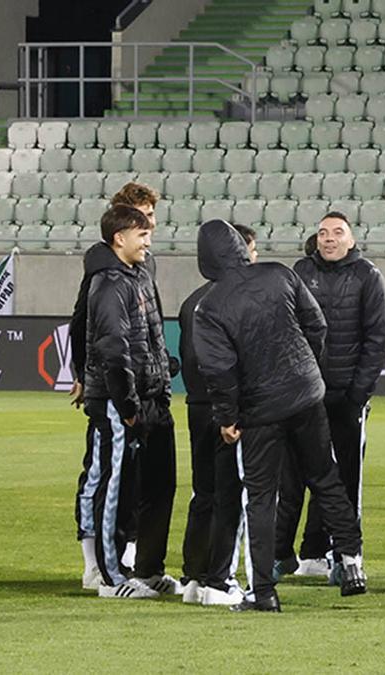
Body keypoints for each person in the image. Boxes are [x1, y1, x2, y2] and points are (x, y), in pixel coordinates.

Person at [193, 220, 366, 612]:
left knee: (260, 497)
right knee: (326, 477)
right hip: (306, 395)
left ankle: (264, 591)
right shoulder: (278, 274)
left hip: (260, 410)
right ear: (240, 247)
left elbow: (219, 371)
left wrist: (227, 417)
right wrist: (307, 370)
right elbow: (316, 325)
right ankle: (352, 561)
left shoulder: (210, 307)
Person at [71, 182, 176, 592]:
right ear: (122, 225)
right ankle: (101, 569)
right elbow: (90, 327)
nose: (149, 227)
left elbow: (146, 331)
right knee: (104, 477)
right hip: (116, 391)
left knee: (142, 480)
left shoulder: (140, 268)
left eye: (151, 218)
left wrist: (160, 369)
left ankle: (135, 566)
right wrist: (84, 373)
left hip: (144, 389)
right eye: (141, 219)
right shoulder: (105, 274)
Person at [278, 212, 385, 581]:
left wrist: (357, 393)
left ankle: (343, 557)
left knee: (345, 479)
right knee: (294, 476)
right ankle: (295, 553)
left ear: (351, 239)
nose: (329, 239)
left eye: (337, 232)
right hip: (305, 395)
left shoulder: (368, 276)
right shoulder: (300, 272)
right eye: (323, 232)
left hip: (346, 396)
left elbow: (378, 338)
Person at [176, 223, 257, 606]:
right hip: (228, 411)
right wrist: (235, 411)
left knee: (203, 492)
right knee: (231, 495)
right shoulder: (237, 299)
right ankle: (220, 580)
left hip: (196, 406)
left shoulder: (192, 300)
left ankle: (193, 576)